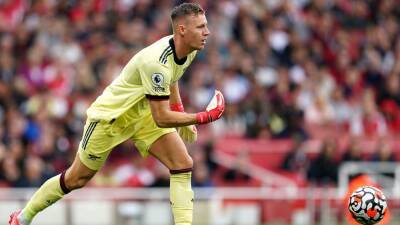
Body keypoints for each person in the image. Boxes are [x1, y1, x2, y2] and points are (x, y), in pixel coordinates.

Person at [9, 3, 224, 225]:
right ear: (182, 30)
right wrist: (203, 117)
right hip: (110, 118)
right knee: (76, 178)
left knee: (182, 162)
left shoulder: (189, 50)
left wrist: (180, 111)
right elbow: (162, 116)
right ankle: (23, 217)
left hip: (143, 114)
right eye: (200, 27)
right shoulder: (155, 63)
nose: (207, 32)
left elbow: (173, 77)